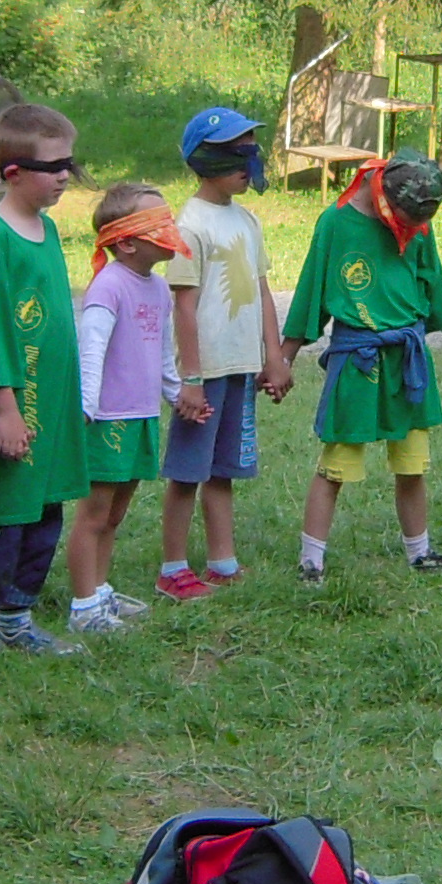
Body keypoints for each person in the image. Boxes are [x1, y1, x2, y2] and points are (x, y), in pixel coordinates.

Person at [285, 154, 442, 582]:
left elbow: (435, 289)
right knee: (336, 464)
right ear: (383, 196)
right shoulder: (336, 223)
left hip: (407, 361)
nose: (412, 230)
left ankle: (420, 552)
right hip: (358, 361)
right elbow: (309, 293)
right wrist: (282, 360)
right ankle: (311, 561)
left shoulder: (418, 224)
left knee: (413, 464)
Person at [0, 103, 90, 665]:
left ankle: (16, 620)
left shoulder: (47, 229)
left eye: (69, 164)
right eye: (54, 167)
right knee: (0, 522)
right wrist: (5, 409)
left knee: (43, 515)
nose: (65, 176)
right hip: (15, 408)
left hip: (50, 409)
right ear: (13, 173)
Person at [156, 108, 289, 601]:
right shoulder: (189, 226)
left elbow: (263, 292)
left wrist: (273, 356)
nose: (248, 164)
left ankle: (222, 561)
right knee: (187, 471)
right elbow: (184, 307)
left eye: (251, 151)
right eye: (237, 153)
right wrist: (190, 378)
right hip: (206, 371)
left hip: (240, 367)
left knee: (224, 469)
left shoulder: (247, 220)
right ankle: (172, 567)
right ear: (206, 161)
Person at [67, 180, 185, 638]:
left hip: (141, 418)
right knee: (94, 515)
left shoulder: (159, 288)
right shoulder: (109, 286)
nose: (170, 232)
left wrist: (176, 395)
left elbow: (163, 353)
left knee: (115, 515)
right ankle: (83, 606)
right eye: (158, 224)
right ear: (127, 242)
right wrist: (86, 406)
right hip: (108, 419)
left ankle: (100, 592)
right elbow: (92, 347)